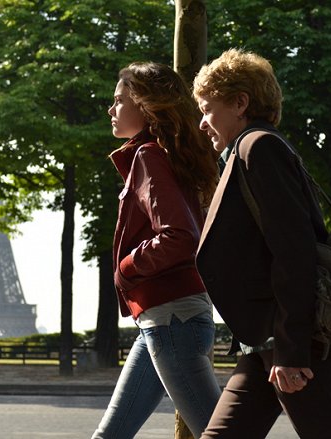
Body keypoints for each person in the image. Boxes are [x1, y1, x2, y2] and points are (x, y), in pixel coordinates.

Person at [192, 48, 331, 438]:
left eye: (207, 109)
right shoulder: (247, 150)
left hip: (290, 343)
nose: (202, 123)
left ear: (240, 103)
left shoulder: (259, 148)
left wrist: (293, 350)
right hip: (265, 341)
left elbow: (295, 251)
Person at [91, 62, 221, 439]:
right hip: (163, 321)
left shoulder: (149, 156)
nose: (110, 109)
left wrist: (126, 269)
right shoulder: (169, 154)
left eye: (119, 100)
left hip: (172, 321)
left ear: (145, 106)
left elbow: (181, 236)